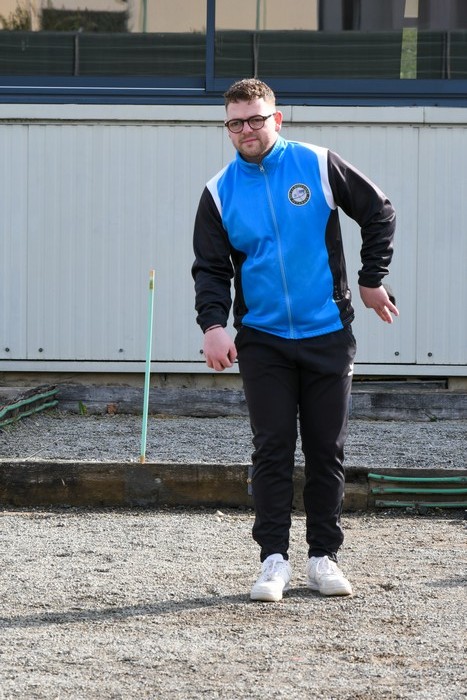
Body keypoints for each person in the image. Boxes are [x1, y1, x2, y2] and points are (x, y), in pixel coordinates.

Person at [192, 78, 398, 602]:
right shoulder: (218, 192)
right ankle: (274, 560)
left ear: (276, 119)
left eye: (256, 119)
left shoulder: (318, 163)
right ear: (227, 128)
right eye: (235, 123)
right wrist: (213, 326)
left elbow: (379, 211)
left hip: (327, 332)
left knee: (326, 449)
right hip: (262, 339)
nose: (247, 130)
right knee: (273, 447)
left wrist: (371, 279)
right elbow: (211, 268)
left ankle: (323, 557)